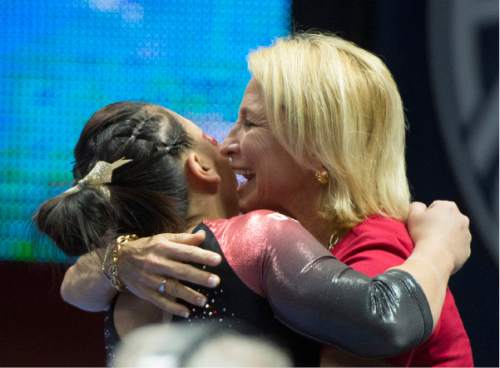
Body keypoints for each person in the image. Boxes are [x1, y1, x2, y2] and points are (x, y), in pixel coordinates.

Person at [35, 102, 469, 366]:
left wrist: (113, 258)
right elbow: (386, 322)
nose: (225, 145)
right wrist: (439, 246)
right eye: (210, 136)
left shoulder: (120, 284)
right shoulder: (256, 237)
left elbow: (77, 286)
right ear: (200, 168)